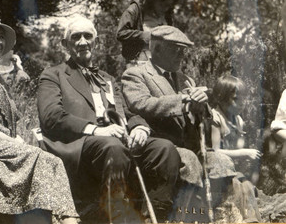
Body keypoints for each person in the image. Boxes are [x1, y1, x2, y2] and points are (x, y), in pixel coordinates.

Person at [37, 15, 181, 223]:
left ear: (96, 41)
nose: (83, 42)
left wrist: (140, 127)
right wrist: (96, 130)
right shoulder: (53, 75)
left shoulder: (107, 79)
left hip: (115, 145)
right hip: (79, 146)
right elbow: (50, 117)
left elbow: (127, 113)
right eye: (76, 37)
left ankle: (153, 217)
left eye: (88, 36)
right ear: (65, 44)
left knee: (164, 149)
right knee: (112, 147)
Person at [0, 13, 78, 224]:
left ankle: (66, 219)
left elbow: (14, 121)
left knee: (53, 160)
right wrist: (6, 139)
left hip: (0, 143)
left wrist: (17, 140)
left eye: (1, 36)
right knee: (41, 158)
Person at [121, 25, 238, 222]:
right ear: (157, 48)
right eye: (176, 49)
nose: (182, 54)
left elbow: (203, 116)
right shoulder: (135, 74)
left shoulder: (185, 79)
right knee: (190, 161)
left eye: (184, 49)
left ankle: (220, 216)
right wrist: (183, 102)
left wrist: (202, 105)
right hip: (161, 148)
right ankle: (179, 218)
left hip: (192, 146)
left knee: (222, 162)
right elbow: (140, 104)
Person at [209, 75, 262, 222]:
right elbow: (215, 151)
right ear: (221, 98)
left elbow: (237, 147)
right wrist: (244, 153)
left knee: (247, 186)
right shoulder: (215, 117)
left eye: (244, 99)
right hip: (216, 169)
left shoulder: (238, 120)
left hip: (232, 169)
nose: (242, 104)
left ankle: (252, 220)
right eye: (236, 99)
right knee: (238, 187)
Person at [116, 0, 177, 66]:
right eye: (161, 4)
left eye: (168, 5)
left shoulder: (167, 16)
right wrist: (146, 36)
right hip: (138, 63)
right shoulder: (136, 10)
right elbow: (121, 33)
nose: (165, 8)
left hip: (162, 65)